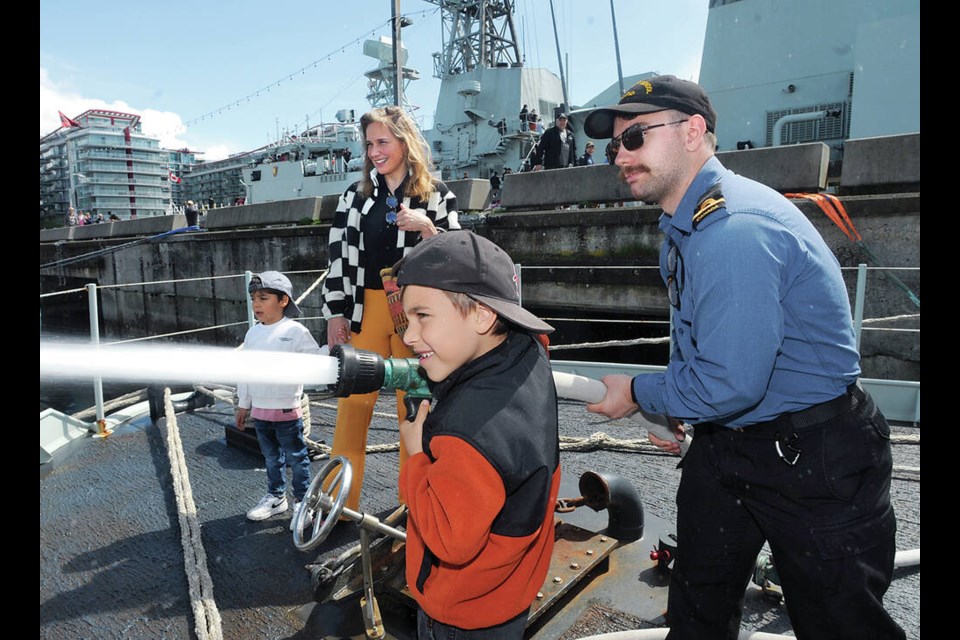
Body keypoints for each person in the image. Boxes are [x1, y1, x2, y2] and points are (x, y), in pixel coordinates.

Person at [582, 75, 904, 640]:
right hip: (728, 446)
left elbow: (731, 382)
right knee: (697, 608)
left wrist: (638, 394)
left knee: (841, 625)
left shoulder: (732, 228)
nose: (620, 157)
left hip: (814, 458)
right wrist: (678, 407)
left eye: (634, 138)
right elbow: (699, 340)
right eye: (614, 146)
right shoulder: (683, 225)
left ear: (693, 131)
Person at [392, 230, 560, 639]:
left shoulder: (465, 435)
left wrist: (416, 456)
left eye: (422, 316)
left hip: (462, 613)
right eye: (406, 319)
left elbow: (451, 543)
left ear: (483, 315)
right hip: (512, 592)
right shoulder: (529, 348)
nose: (408, 336)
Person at [321, 105, 460, 513]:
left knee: (414, 408)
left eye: (383, 142)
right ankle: (339, 504)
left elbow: (458, 255)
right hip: (365, 308)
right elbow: (338, 257)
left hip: (415, 316)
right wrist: (335, 313)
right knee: (352, 408)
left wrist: (427, 227)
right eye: (369, 145)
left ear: (405, 142)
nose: (375, 152)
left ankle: (413, 504)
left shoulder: (435, 194)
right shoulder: (355, 197)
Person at [236, 271, 321, 530]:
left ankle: (303, 501)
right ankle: (276, 497)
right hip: (260, 413)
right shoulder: (252, 334)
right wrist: (243, 404)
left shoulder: (295, 331)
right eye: (253, 299)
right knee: (271, 458)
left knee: (297, 458)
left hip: (286, 412)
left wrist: (335, 350)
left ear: (283, 301)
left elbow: (317, 360)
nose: (256, 304)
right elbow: (245, 371)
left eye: (263, 298)